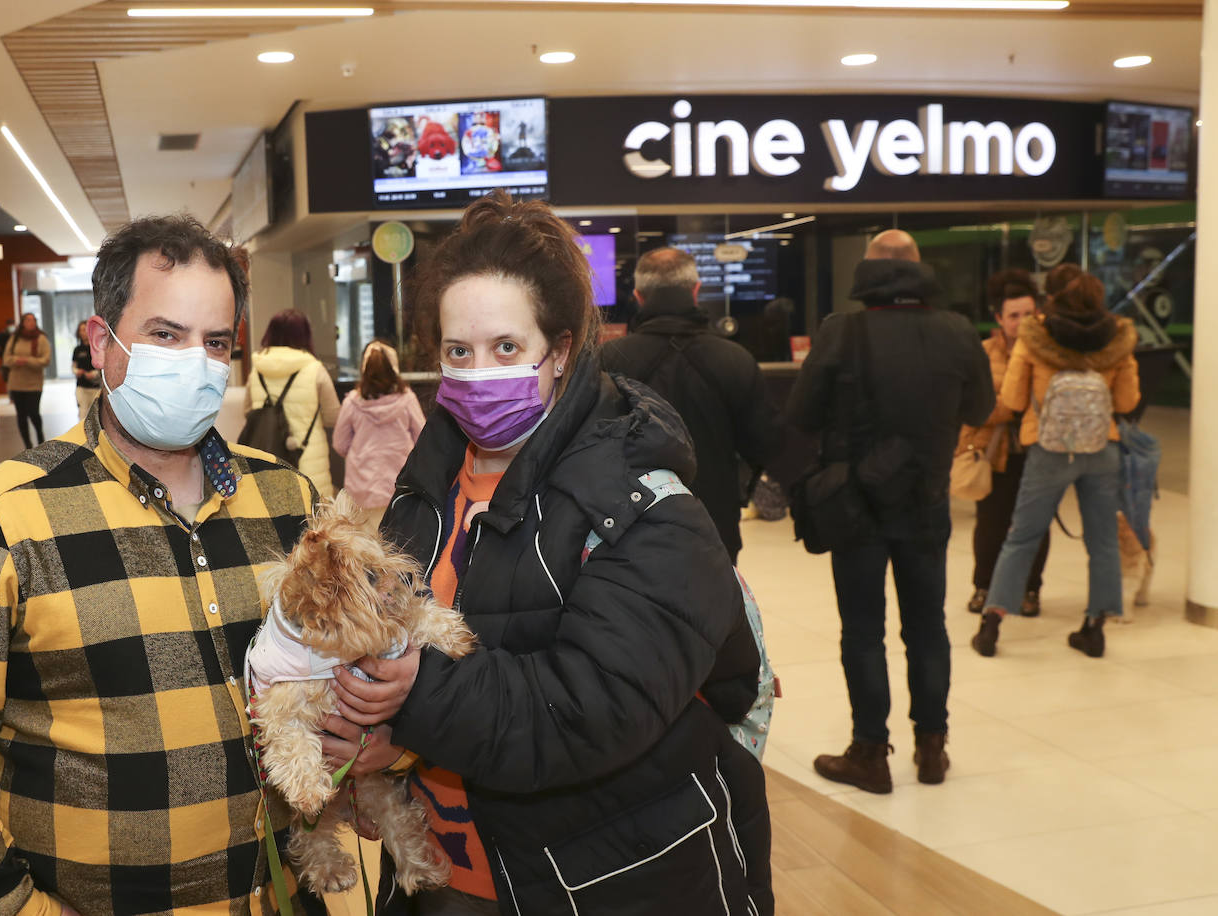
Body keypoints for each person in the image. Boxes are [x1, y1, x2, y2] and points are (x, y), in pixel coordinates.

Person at [0, 214, 416, 916]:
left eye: (215, 342)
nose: (195, 361)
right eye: (165, 334)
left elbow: (356, 666)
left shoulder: (290, 502)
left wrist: (387, 718)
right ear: (102, 342)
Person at [347, 192, 772, 915]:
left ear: (562, 352)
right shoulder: (423, 492)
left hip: (603, 883)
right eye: (458, 351)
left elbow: (589, 710)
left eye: (507, 348)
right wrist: (382, 747)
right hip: (442, 877)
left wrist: (414, 695)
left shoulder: (643, 507)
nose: (479, 372)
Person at [788, 230, 994, 794]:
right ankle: (932, 748)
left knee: (863, 631)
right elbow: (981, 407)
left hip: (855, 504)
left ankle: (870, 753)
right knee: (927, 627)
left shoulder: (842, 331)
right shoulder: (957, 331)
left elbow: (802, 414)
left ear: (866, 269)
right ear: (921, 267)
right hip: (927, 502)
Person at [971, 273, 1141, 659]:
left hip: (1048, 449)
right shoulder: (1118, 338)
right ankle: (1094, 630)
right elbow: (1127, 402)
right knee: (1102, 543)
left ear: (1053, 298)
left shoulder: (1035, 336)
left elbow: (1013, 399)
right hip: (1101, 447)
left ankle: (991, 625)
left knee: (1021, 536)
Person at [600, 247, 784, 563]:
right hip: (715, 522)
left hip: (627, 525)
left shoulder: (609, 360)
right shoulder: (734, 359)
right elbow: (764, 444)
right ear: (695, 290)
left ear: (639, 296)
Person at [961, 269, 1051, 617]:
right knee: (990, 524)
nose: (1022, 322)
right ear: (999, 318)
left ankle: (1030, 589)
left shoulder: (1049, 353)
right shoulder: (983, 353)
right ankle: (984, 586)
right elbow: (974, 406)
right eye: (1014, 315)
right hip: (994, 452)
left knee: (1036, 524)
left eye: (1029, 314)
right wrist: (1011, 406)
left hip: (1038, 452)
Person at [332, 340, 425, 532]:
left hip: (361, 488)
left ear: (364, 369)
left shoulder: (352, 402)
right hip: (400, 484)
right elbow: (422, 439)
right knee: (397, 540)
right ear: (394, 369)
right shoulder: (407, 399)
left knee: (366, 540)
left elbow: (340, 444)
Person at [248, 311, 341, 496]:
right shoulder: (315, 369)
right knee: (313, 509)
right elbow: (333, 416)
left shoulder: (256, 371)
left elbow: (248, 411)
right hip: (308, 461)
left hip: (267, 462)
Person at [3, 312, 52, 448]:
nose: (31, 322)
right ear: (23, 323)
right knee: (21, 415)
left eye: (33, 320)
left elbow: (46, 360)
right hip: (16, 383)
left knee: (34, 413)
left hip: (34, 383)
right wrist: (16, 360)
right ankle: (27, 445)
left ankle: (40, 439)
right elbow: (6, 359)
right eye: (28, 320)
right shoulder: (14, 338)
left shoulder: (41, 338)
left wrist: (28, 361)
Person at [71, 318, 101, 417]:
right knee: (83, 414)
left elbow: (102, 366)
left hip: (95, 387)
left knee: (95, 415)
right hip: (81, 387)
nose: (83, 333)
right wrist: (77, 371)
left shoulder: (97, 347)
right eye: (80, 330)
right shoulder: (77, 350)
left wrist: (94, 374)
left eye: (84, 330)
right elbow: (73, 366)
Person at [0, 316, 16, 384]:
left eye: (12, 324)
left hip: (16, 358)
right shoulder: (3, 334)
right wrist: (1, 355)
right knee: (7, 377)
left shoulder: (17, 334)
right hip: (6, 359)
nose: (11, 326)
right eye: (10, 325)